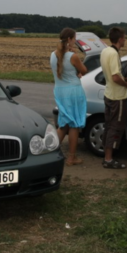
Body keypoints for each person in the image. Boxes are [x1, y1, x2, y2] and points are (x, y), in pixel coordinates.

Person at [50, 28, 88, 166]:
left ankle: (51, 152)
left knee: (64, 123)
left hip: (60, 91)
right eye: (75, 38)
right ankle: (72, 158)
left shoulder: (52, 55)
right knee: (74, 125)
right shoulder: (73, 56)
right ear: (70, 39)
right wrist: (75, 57)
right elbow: (84, 70)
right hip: (73, 91)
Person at [100, 27, 127, 169]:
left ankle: (106, 156)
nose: (125, 40)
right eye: (124, 38)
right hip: (117, 96)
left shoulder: (105, 51)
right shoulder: (113, 54)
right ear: (119, 39)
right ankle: (109, 159)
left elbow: (115, 74)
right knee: (116, 127)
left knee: (109, 125)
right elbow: (115, 77)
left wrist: (124, 78)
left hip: (109, 93)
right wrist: (126, 84)